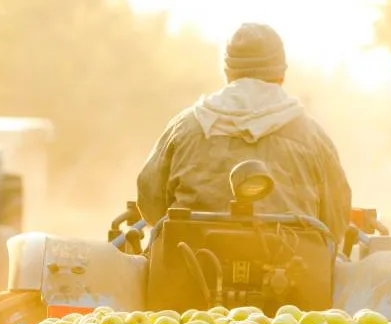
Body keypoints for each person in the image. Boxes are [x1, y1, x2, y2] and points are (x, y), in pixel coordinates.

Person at [135, 23, 352, 241]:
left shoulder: (185, 126)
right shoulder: (311, 135)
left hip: (188, 265)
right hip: (296, 271)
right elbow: (335, 220)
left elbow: (151, 204)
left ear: (228, 72)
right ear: (281, 74)